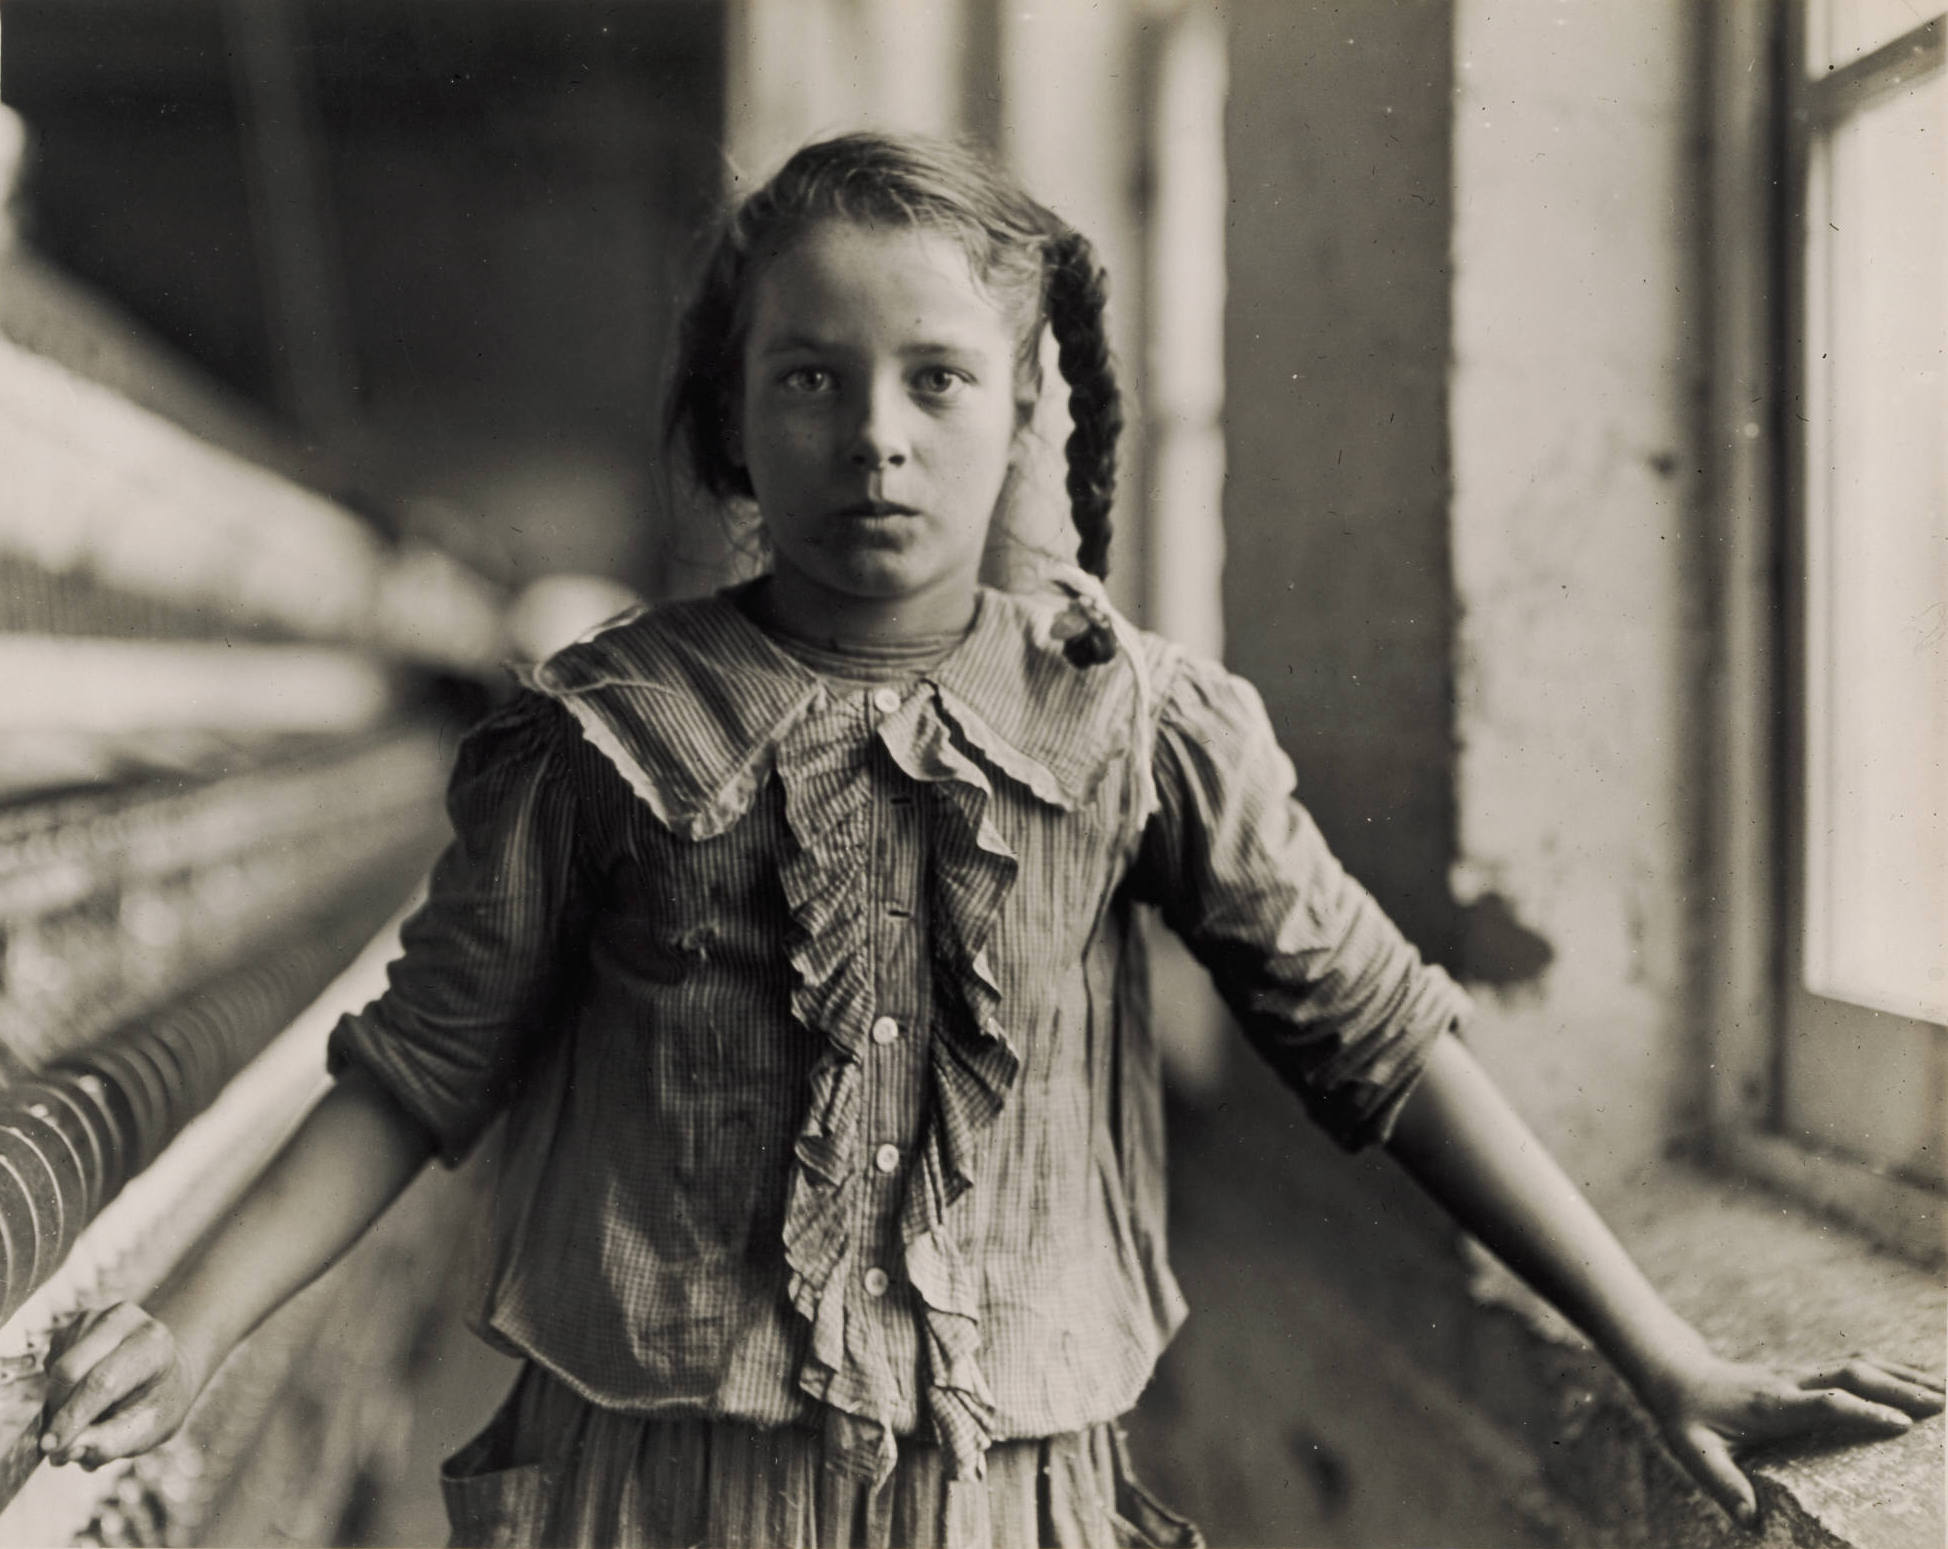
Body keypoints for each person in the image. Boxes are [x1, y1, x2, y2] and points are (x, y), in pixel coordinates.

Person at [37, 133, 1941, 1549]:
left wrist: (1661, 1348)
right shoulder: (599, 735)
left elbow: (1384, 1036)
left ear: (1027, 405)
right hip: (655, 1485)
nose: (876, 436)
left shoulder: (1139, 725)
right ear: (729, 411)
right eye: (812, 377)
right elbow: (414, 1063)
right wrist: (193, 1329)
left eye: (937, 381)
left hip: (1004, 1494)